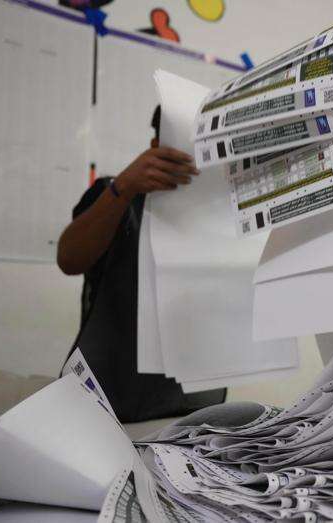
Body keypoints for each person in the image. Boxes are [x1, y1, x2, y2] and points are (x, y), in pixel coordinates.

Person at [56, 107, 226, 422]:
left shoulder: (222, 212)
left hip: (193, 407)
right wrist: (124, 186)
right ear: (156, 145)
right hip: (104, 401)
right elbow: (69, 258)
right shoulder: (116, 195)